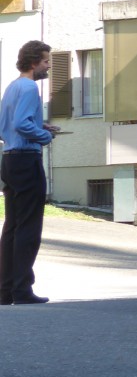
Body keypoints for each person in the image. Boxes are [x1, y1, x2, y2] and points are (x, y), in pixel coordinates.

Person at [0, 41, 59, 306]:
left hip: (9, 161)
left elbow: (9, 124)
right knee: (29, 227)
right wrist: (43, 135)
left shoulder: (12, 87)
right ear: (34, 61)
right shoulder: (29, 87)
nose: (48, 66)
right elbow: (22, 124)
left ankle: (5, 290)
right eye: (46, 61)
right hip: (26, 160)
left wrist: (39, 124)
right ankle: (23, 289)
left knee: (12, 226)